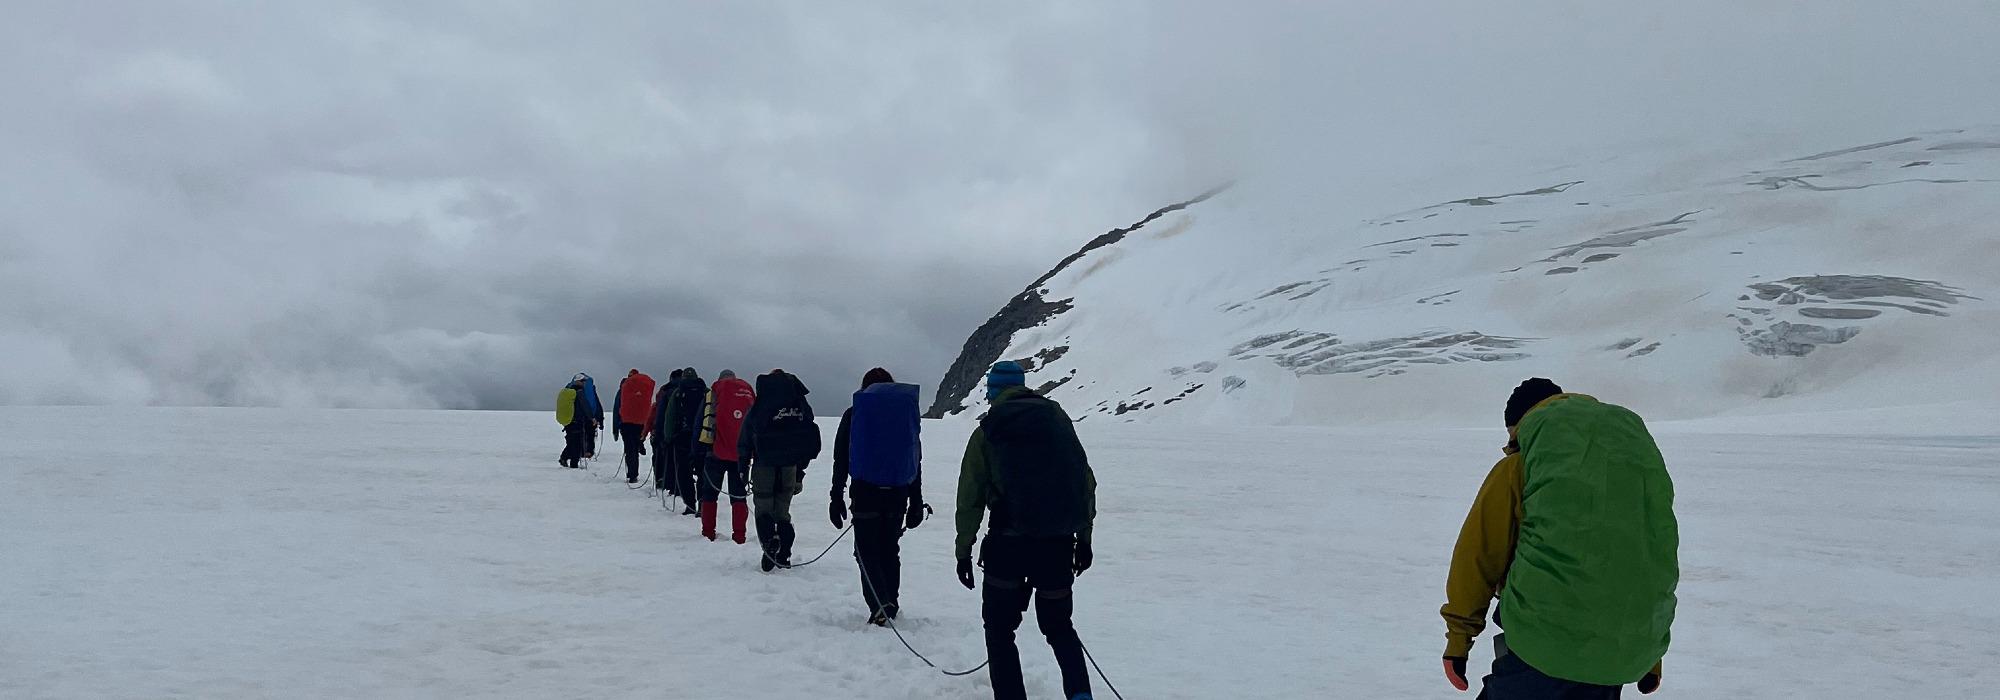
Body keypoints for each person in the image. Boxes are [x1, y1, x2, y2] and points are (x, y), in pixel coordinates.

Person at [1440, 378, 1678, 699]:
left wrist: (1458, 639)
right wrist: (1649, 651)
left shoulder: (1519, 466)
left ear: (1522, 424)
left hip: (1542, 643)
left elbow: (1479, 554)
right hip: (1620, 655)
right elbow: (1651, 556)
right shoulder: (1631, 470)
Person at [955, 361, 1097, 700]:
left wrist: (964, 550)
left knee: (1000, 631)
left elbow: (970, 496)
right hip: (1057, 544)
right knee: (1059, 627)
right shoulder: (1057, 423)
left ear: (992, 391)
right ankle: (1081, 696)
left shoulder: (987, 431)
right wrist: (1084, 538)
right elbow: (1084, 482)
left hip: (1007, 546)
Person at [830, 367, 927, 625]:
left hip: (865, 491)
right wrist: (916, 501)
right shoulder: (904, 415)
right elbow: (914, 458)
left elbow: (841, 458)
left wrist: (836, 495)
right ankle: (890, 602)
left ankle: (880, 604)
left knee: (866, 550)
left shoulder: (855, 413)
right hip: (897, 492)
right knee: (889, 549)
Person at [737, 369, 822, 571]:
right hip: (790, 465)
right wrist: (801, 470)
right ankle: (784, 555)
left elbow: (746, 437)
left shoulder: (761, 404)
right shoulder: (798, 404)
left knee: (763, 508)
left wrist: (743, 467)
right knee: (783, 512)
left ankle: (769, 544)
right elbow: (807, 434)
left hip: (764, 464)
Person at [696, 369, 757, 543]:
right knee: (738, 495)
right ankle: (739, 535)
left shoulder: (715, 391)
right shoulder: (747, 391)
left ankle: (708, 532)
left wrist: (697, 450)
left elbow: (702, 420)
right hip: (742, 454)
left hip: (715, 451)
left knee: (710, 493)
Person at [662, 368, 708, 515]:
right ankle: (703, 502)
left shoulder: (678, 393)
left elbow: (670, 416)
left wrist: (668, 437)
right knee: (703, 472)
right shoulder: (706, 392)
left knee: (683, 472)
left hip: (682, 438)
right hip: (703, 438)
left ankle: (690, 505)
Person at [612, 369, 657, 485]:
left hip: (626, 423)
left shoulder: (623, 389)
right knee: (635, 445)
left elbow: (617, 408)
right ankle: (640, 445)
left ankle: (632, 474)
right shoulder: (644, 388)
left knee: (630, 449)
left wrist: (615, 428)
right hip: (641, 422)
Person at [649, 369, 684, 491]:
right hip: (686, 432)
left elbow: (658, 413)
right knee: (682, 460)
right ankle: (681, 485)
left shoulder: (665, 391)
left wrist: (657, 432)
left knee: (663, 457)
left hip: (666, 431)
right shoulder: (692, 390)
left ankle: (664, 481)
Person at [556, 376, 590, 468]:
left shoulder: (569, 392)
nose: (584, 383)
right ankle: (573, 465)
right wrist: (591, 418)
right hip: (576, 421)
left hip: (569, 421)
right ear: (578, 382)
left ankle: (564, 458)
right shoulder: (579, 392)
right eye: (582, 381)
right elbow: (585, 406)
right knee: (577, 444)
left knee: (571, 442)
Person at [575, 372, 606, 459]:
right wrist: (600, 419)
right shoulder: (590, 391)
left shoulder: (575, 390)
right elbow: (597, 405)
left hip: (579, 418)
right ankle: (589, 452)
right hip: (591, 417)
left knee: (581, 435)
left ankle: (581, 451)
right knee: (590, 435)